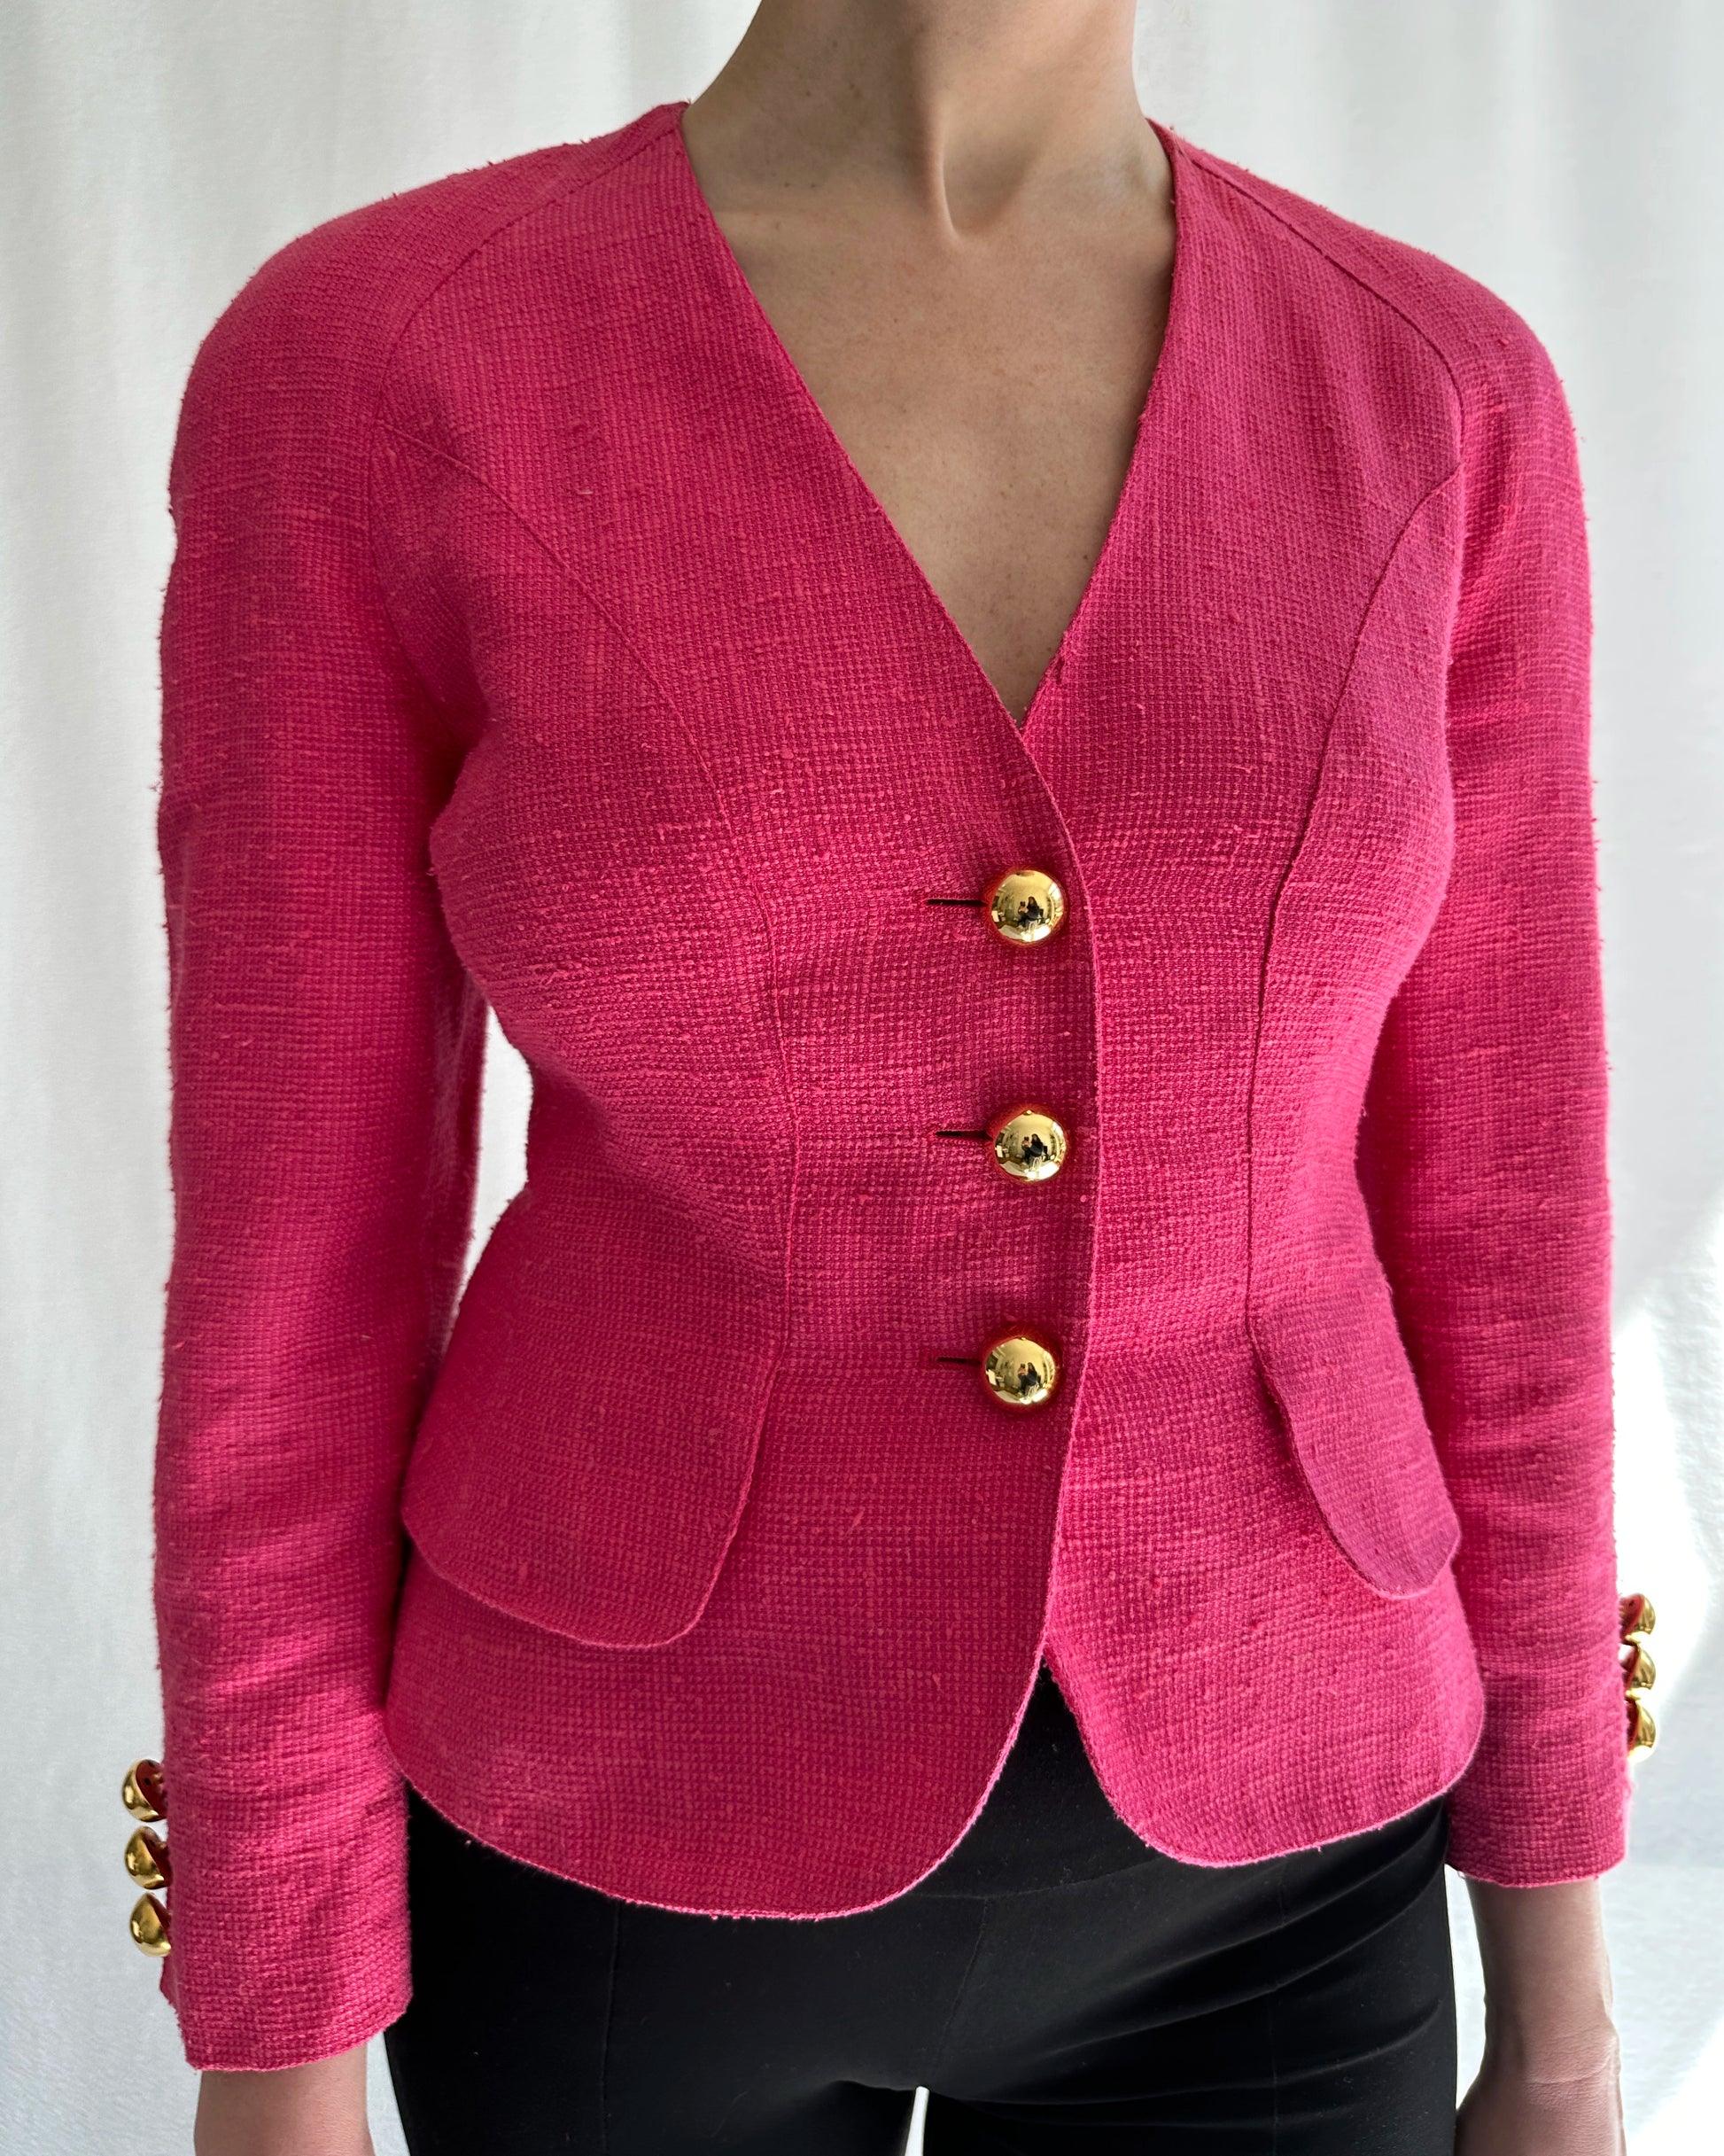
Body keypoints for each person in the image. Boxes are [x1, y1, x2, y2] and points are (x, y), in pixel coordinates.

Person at [128, 2, 1652, 2150]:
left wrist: (1562, 2010)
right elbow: (296, 1267)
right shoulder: (382, 364)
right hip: (607, 1858)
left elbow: (1505, 1213)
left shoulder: (1433, 388)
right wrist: (273, 2036)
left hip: (1287, 1871)